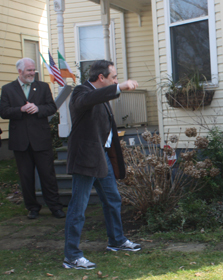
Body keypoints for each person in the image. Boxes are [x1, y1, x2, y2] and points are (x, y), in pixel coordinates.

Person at [63, 60, 141, 270]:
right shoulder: (81, 92)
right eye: (113, 77)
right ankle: (71, 256)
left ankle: (116, 241)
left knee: (112, 198)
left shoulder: (103, 94)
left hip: (100, 157)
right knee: (78, 207)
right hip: (85, 159)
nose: (116, 80)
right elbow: (88, 99)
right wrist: (119, 87)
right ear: (101, 77)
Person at [0, 58, 65, 219]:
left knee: (47, 175)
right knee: (26, 176)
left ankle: (55, 206)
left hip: (41, 139)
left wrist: (38, 108)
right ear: (20, 71)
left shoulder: (42, 87)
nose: (32, 73)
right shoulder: (8, 89)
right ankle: (32, 207)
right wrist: (20, 109)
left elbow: (52, 107)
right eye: (29, 70)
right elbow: (4, 111)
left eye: (33, 70)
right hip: (20, 140)